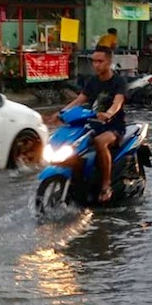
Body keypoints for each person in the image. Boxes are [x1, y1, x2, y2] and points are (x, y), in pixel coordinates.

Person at [49, 46, 126, 203]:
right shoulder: (93, 81)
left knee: (100, 142)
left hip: (114, 127)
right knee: (72, 144)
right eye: (94, 62)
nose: (96, 65)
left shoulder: (118, 81)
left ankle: (106, 186)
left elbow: (118, 102)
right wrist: (61, 112)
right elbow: (79, 100)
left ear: (109, 62)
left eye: (100, 61)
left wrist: (109, 114)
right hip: (93, 125)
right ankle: (79, 182)